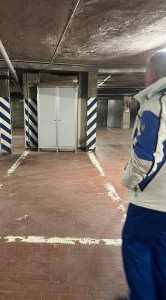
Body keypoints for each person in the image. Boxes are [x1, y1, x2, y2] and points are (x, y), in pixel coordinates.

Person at [121, 51, 166, 300]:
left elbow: (146, 159)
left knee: (135, 247)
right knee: (160, 250)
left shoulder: (156, 104)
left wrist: (127, 180)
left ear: (152, 74)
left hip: (152, 200)